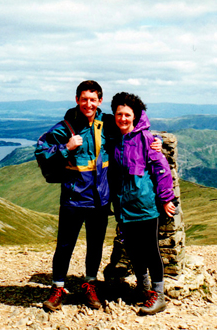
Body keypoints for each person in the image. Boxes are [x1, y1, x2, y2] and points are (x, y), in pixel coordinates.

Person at [35, 81, 162, 312]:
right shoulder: (66, 127)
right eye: (84, 99)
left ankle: (90, 284)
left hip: (100, 199)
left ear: (100, 101)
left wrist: (155, 141)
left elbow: (133, 128)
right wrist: (67, 147)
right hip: (73, 198)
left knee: (95, 245)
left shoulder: (108, 123)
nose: (88, 104)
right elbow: (41, 150)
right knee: (65, 245)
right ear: (77, 100)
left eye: (93, 99)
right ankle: (57, 288)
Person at [108, 92, 176, 315]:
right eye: (119, 114)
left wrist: (166, 199)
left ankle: (158, 295)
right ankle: (144, 289)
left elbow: (161, 169)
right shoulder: (114, 139)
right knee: (134, 251)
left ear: (135, 116)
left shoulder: (147, 139)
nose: (123, 118)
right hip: (123, 208)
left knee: (150, 250)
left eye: (128, 114)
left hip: (145, 207)